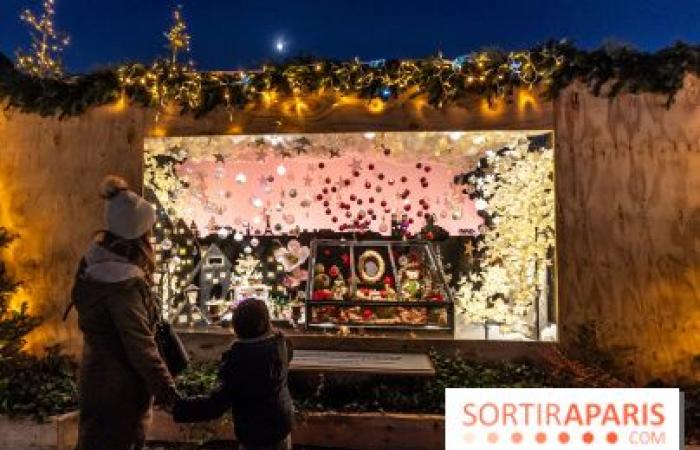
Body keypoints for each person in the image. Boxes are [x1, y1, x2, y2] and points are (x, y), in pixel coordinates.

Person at [68, 175, 178, 450]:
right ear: (139, 236)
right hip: (121, 392)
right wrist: (169, 393)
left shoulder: (92, 265)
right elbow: (141, 346)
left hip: (97, 380)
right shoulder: (122, 286)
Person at [173, 298, 294, 450]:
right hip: (281, 425)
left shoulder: (239, 360)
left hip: (255, 434)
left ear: (237, 327)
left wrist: (178, 407)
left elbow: (217, 404)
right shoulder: (281, 343)